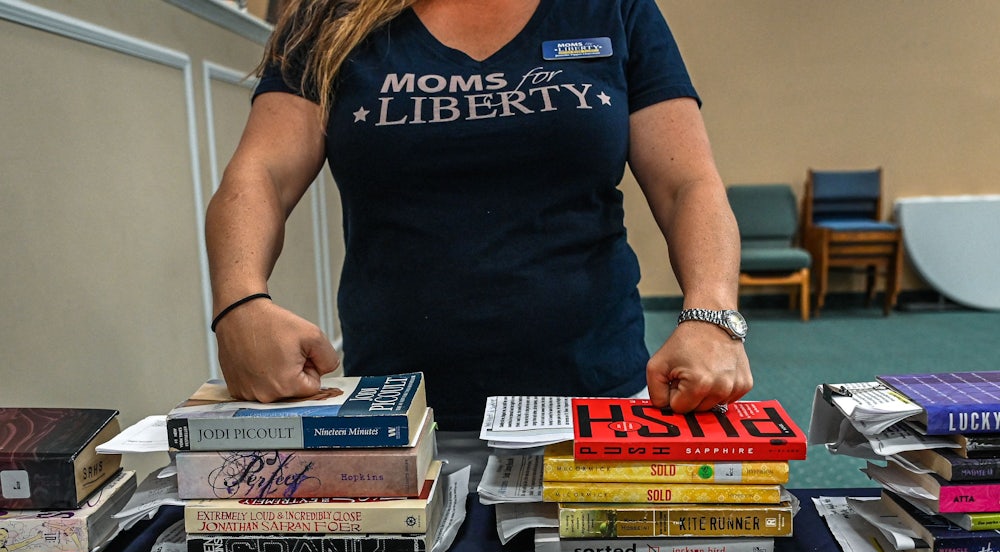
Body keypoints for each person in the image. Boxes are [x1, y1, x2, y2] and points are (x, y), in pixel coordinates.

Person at [205, 0, 752, 484]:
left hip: (595, 406)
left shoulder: (612, 8)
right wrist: (240, 302)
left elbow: (689, 184)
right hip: (402, 417)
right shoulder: (329, 15)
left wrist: (713, 313)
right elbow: (261, 174)